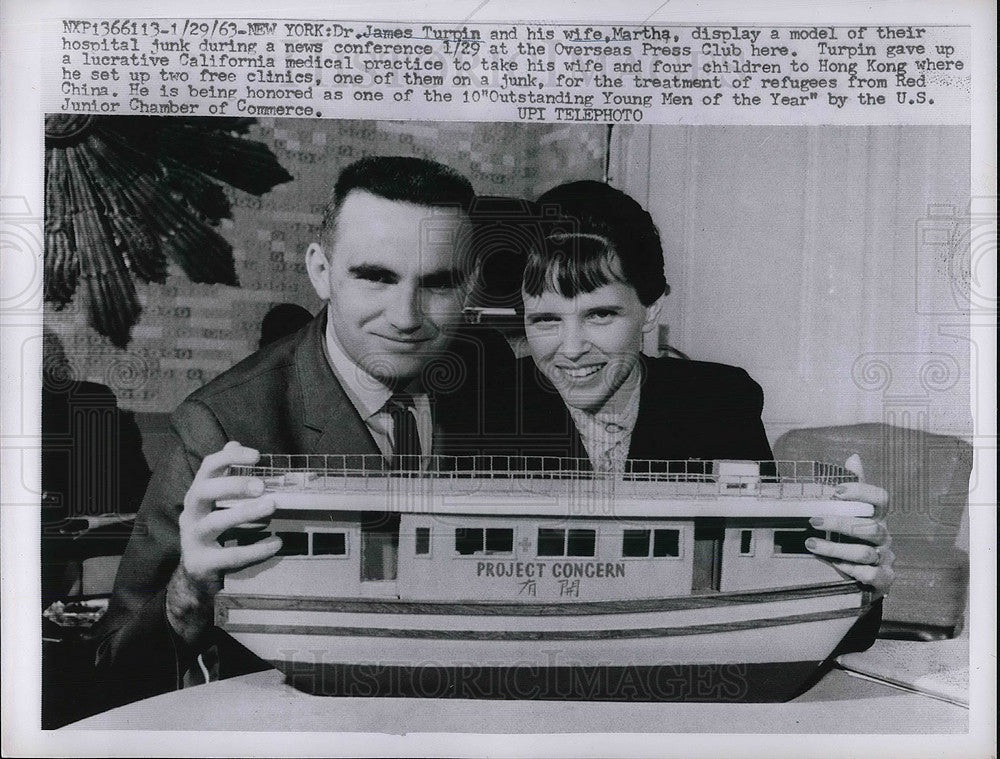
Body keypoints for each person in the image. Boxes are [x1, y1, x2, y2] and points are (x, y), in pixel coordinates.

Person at [90, 156, 488, 708]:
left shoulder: (499, 381)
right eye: (376, 276)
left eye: (439, 283)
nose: (406, 316)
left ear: (470, 285)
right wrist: (188, 596)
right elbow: (112, 668)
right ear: (320, 271)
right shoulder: (224, 423)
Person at [517, 180, 895, 600]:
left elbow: (760, 575)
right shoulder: (484, 403)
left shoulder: (720, 402)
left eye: (600, 314)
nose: (571, 349)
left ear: (651, 309)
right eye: (545, 319)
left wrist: (858, 581)